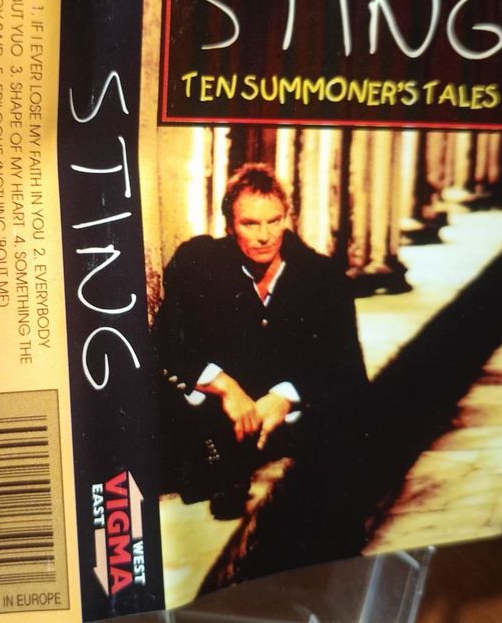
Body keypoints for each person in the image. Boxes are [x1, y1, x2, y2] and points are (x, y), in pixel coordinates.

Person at [154, 163, 370, 521]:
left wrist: (286, 397)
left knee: (343, 437)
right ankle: (223, 474)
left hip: (297, 419)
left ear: (287, 219)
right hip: (222, 416)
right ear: (229, 225)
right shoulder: (199, 263)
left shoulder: (322, 278)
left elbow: (348, 369)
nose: (264, 236)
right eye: (250, 224)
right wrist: (225, 387)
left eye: (274, 221)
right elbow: (167, 341)